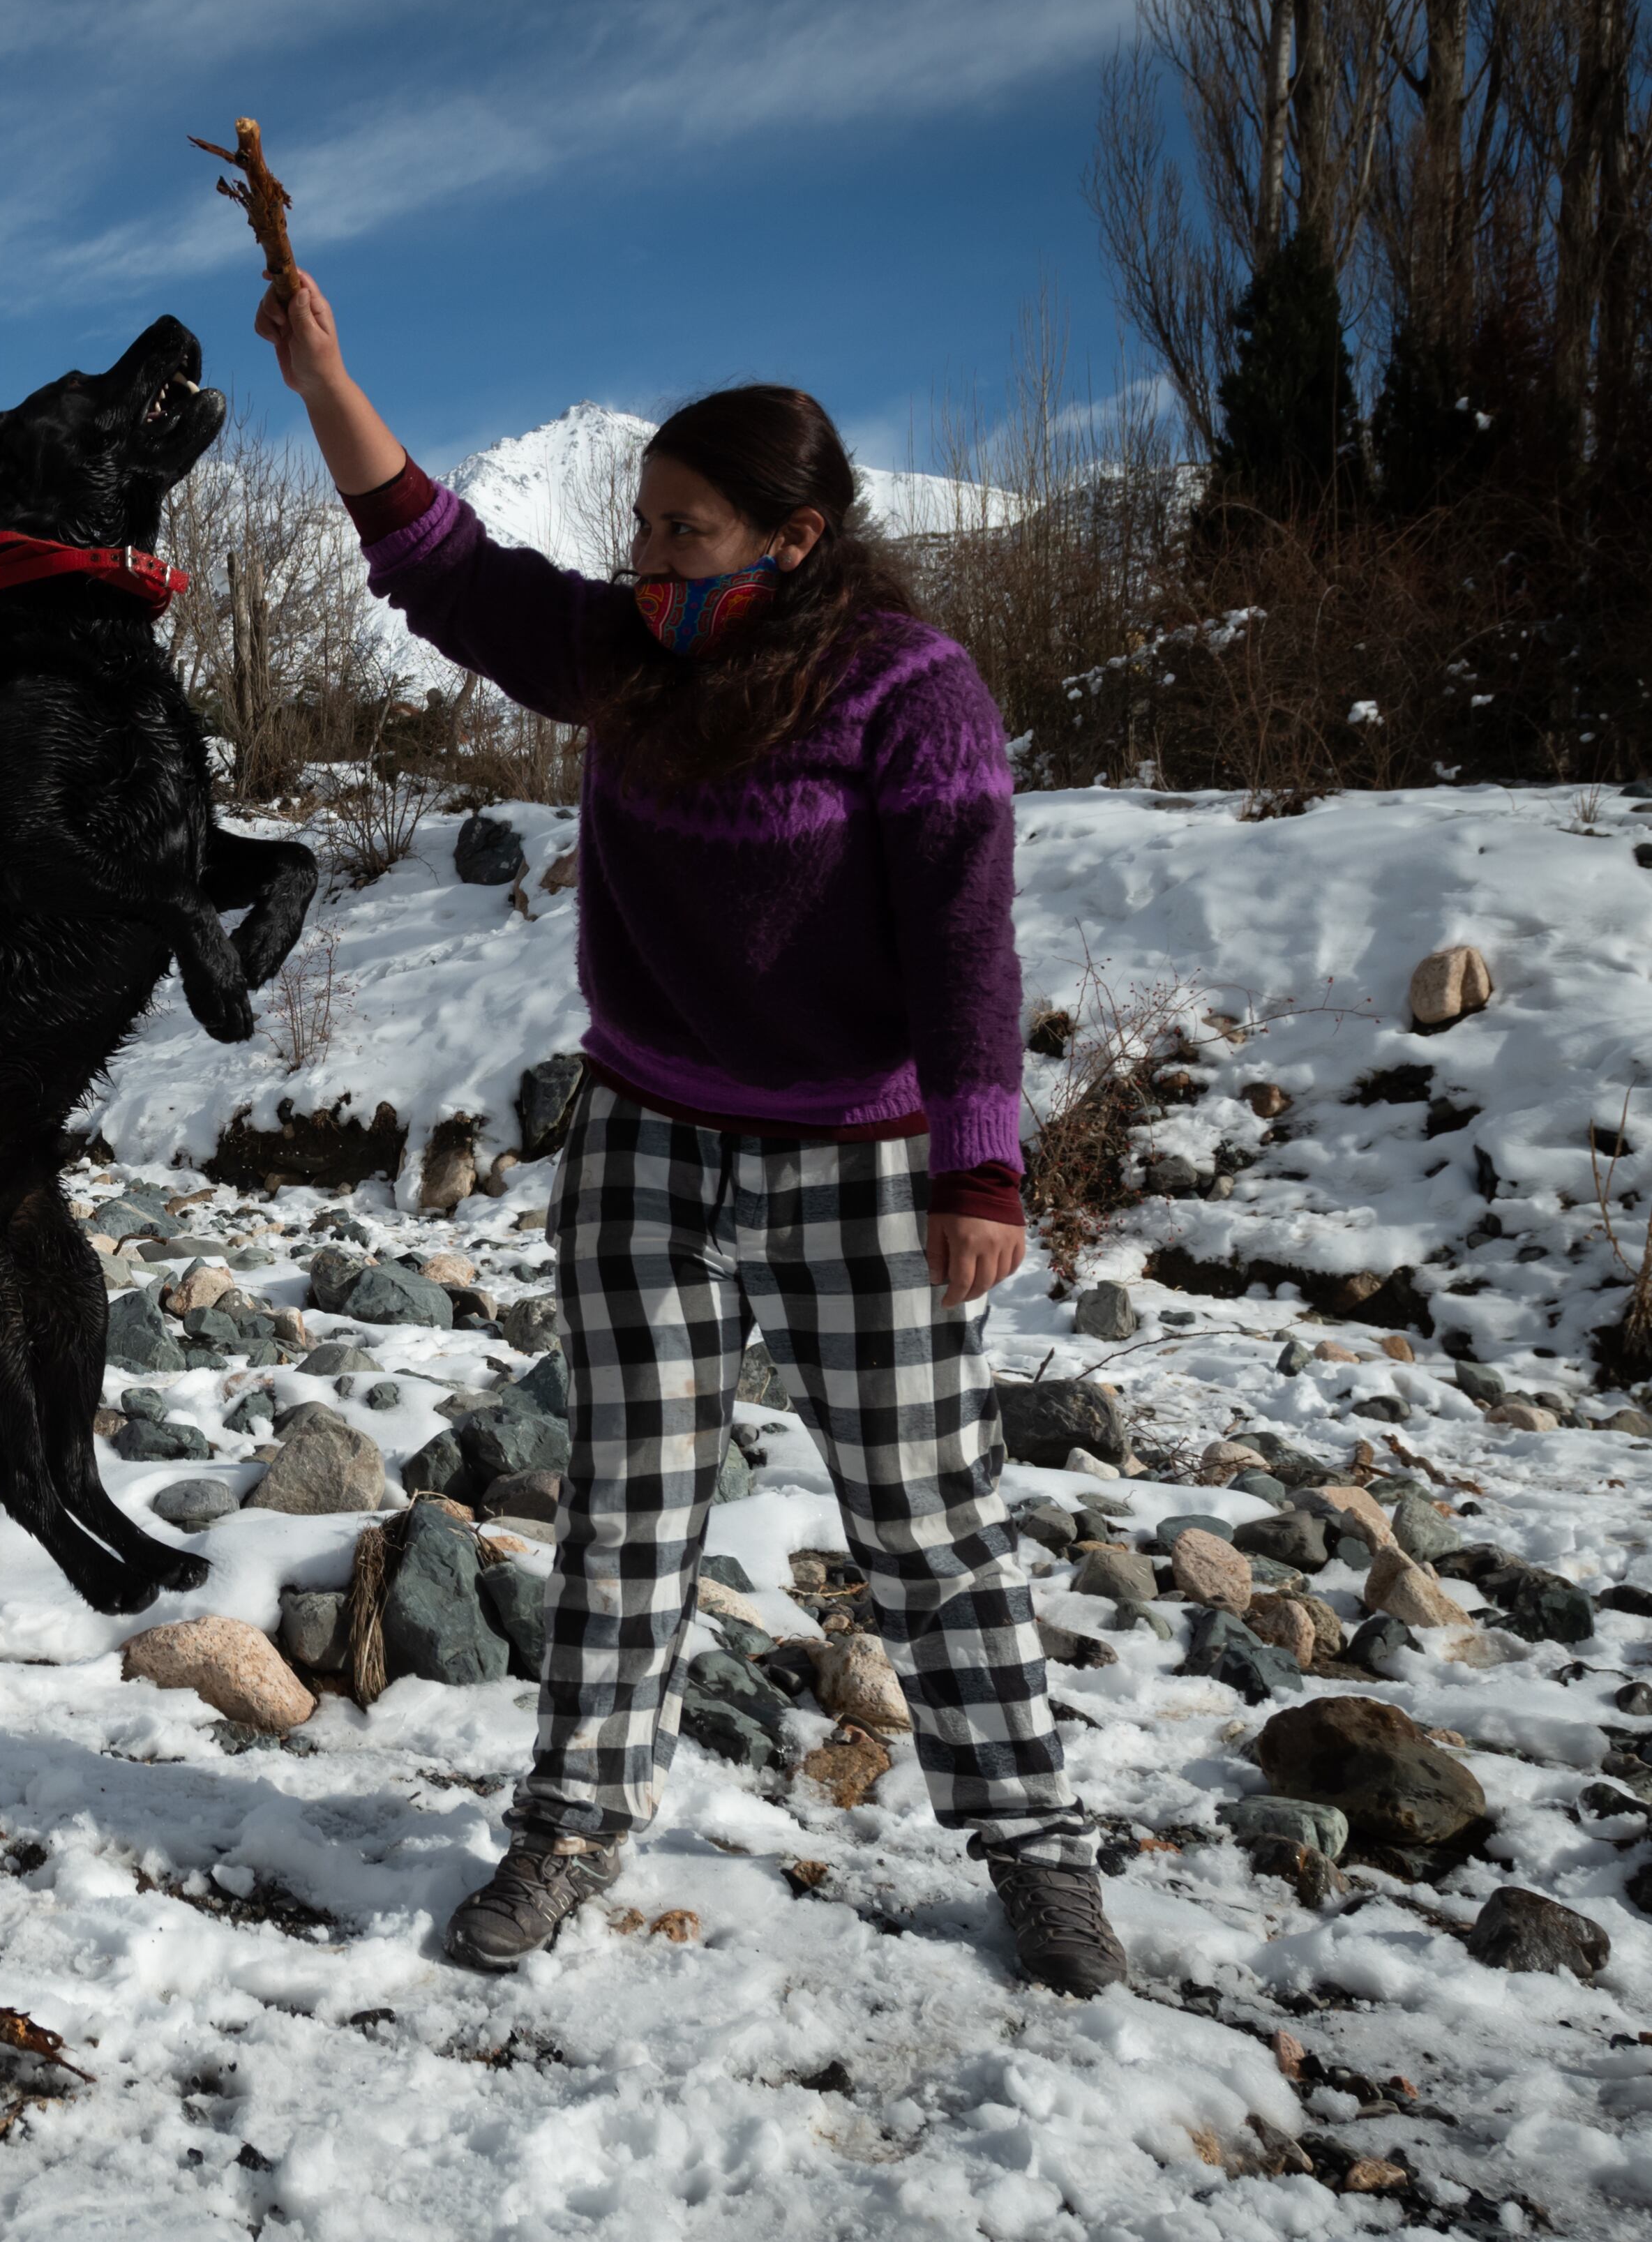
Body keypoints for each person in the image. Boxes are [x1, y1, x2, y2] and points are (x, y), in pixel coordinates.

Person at [255, 271, 1124, 1996]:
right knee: (627, 1510)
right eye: (638, 521)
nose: (646, 556)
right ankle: (570, 1825)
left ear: (790, 543)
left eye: (683, 527)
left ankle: (1033, 1849)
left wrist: (981, 1161)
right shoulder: (628, 654)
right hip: (648, 1132)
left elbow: (967, 936)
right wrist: (322, 373)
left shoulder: (908, 690)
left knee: (923, 1522)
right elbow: (436, 560)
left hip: (860, 1155)